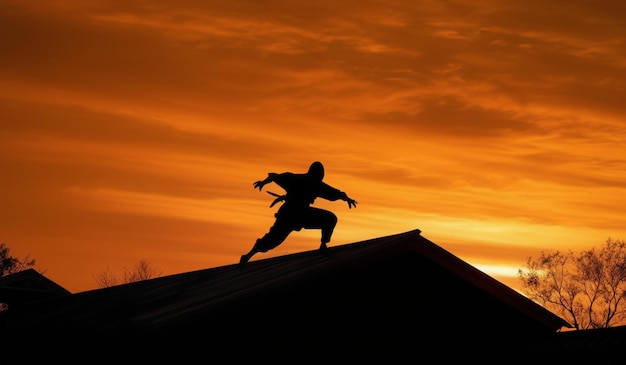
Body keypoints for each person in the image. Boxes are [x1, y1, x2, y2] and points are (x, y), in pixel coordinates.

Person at [240, 161, 357, 266]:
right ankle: (248, 256)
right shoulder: (303, 181)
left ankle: (323, 245)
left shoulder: (313, 183)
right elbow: (274, 176)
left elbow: (337, 193)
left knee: (330, 219)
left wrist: (347, 198)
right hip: (291, 215)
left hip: (299, 214)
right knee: (273, 239)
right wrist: (263, 182)